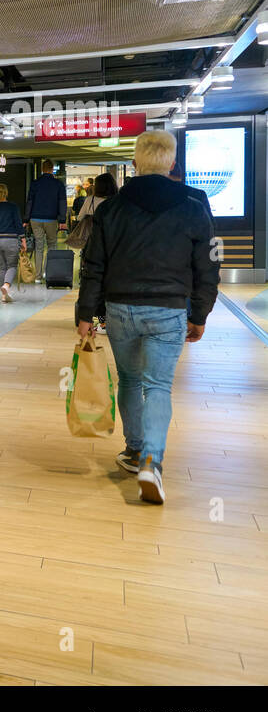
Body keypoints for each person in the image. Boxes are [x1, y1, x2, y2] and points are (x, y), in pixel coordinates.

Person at [75, 131, 220, 505]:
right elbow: (208, 267)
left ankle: (135, 449)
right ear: (172, 164)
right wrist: (200, 313)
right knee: (158, 386)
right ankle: (151, 462)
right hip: (170, 309)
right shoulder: (193, 207)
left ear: (135, 164)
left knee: (129, 378)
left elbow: (94, 266)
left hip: (121, 310)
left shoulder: (111, 209)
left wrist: (85, 313)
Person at [26, 160, 67, 281]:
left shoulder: (35, 183)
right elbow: (62, 203)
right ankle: (48, 274)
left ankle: (38, 277)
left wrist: (26, 219)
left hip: (35, 218)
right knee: (52, 246)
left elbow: (29, 202)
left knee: (39, 247)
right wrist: (62, 220)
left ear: (42, 169)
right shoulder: (58, 184)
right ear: (52, 168)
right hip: (51, 219)